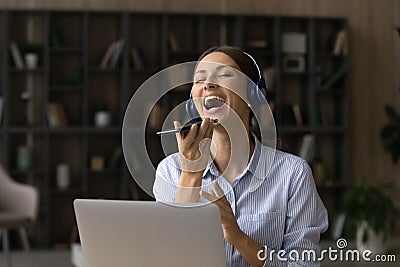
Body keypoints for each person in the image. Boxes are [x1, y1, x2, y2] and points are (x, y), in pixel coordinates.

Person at [153, 45, 328, 267]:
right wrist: (190, 175)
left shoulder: (293, 174)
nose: (208, 84)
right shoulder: (170, 171)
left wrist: (237, 237)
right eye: (199, 79)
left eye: (225, 75)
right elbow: (169, 259)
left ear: (252, 96)